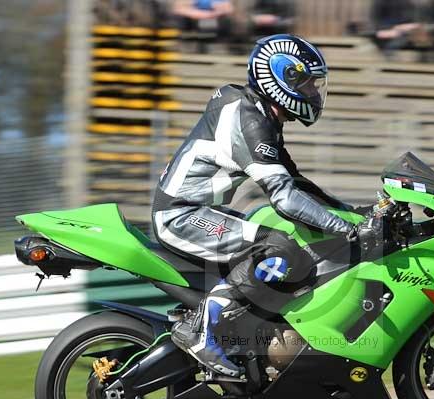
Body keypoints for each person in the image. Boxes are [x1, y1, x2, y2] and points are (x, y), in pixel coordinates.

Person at [151, 34, 365, 377]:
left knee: (283, 243)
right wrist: (346, 229)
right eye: (308, 83)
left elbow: (297, 183)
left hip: (197, 210)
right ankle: (201, 330)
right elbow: (283, 197)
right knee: (279, 247)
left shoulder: (260, 115)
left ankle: (245, 336)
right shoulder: (249, 119)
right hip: (181, 215)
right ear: (282, 79)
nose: (314, 92)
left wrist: (354, 213)